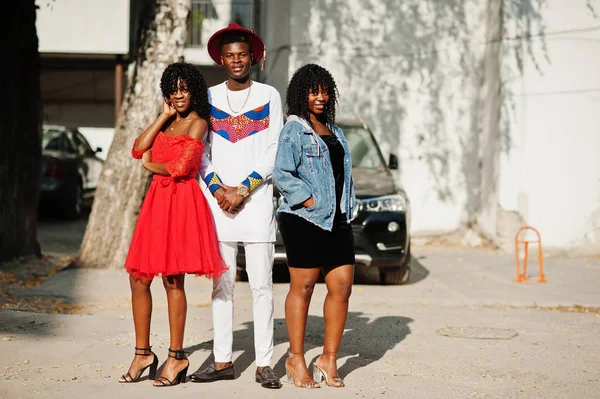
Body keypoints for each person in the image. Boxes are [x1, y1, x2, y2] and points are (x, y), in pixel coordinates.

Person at [119, 62, 226, 387]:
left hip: (180, 203)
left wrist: (153, 165)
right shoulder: (167, 124)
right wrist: (163, 116)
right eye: (173, 90)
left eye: (184, 89)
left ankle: (177, 356)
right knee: (138, 277)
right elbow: (138, 149)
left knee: (172, 281)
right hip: (155, 204)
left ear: (193, 90)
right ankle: (143, 353)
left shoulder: (199, 123)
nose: (179, 95)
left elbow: (182, 167)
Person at [189, 23, 283, 389]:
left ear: (253, 57)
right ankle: (223, 359)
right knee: (221, 285)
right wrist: (218, 190)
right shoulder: (208, 97)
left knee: (262, 285)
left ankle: (264, 364)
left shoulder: (270, 95)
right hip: (218, 206)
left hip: (257, 204)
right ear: (221, 59)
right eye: (229, 55)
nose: (236, 60)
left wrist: (243, 189)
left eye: (242, 54)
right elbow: (201, 154)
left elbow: (276, 149)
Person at [273, 64, 356, 388]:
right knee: (304, 286)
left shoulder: (336, 131)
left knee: (342, 286)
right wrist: (307, 200)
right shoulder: (294, 129)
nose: (321, 97)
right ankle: (295, 357)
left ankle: (329, 358)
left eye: (325, 91)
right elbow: (282, 172)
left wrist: (348, 204)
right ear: (302, 94)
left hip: (337, 218)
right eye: (314, 91)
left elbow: (342, 174)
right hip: (304, 218)